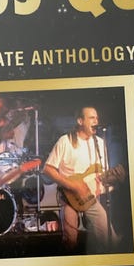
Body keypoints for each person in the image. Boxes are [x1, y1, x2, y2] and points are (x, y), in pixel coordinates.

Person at [43, 106, 118, 252]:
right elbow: (48, 169)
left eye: (97, 118)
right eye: (91, 118)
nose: (96, 121)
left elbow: (101, 171)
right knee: (70, 239)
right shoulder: (66, 141)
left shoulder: (99, 143)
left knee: (109, 238)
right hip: (69, 196)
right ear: (80, 121)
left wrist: (102, 185)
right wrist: (72, 185)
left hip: (89, 196)